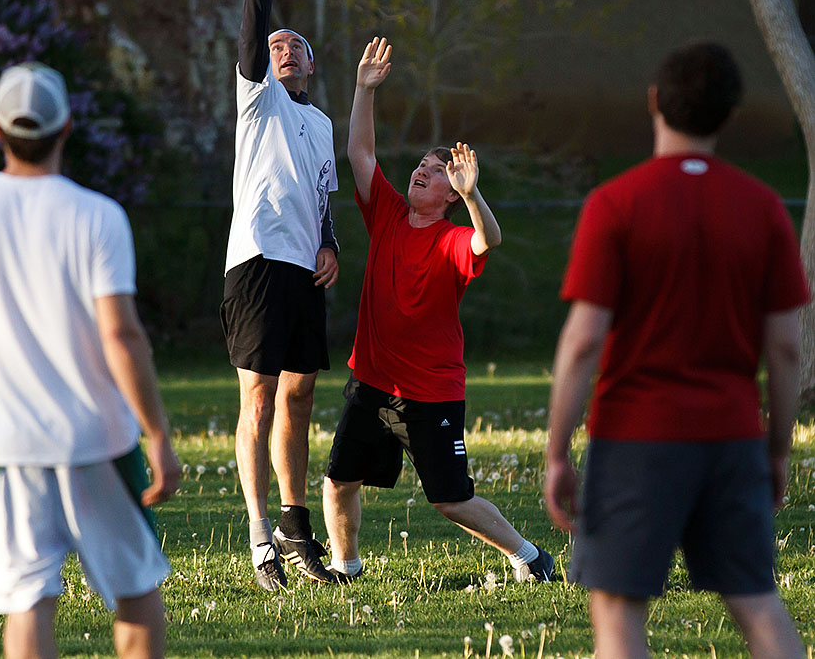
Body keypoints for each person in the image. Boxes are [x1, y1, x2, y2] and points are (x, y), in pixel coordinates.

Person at [544, 42, 809, 659]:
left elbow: (583, 342)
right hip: (732, 437)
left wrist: (558, 451)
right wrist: (775, 450)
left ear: (655, 103)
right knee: (755, 599)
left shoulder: (616, 204)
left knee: (616, 605)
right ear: (729, 116)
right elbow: (788, 349)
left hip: (637, 439)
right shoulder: (765, 208)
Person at [0, 61, 180, 659]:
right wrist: (158, 434)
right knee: (135, 590)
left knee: (29, 599)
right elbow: (121, 335)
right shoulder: (98, 215)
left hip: (12, 447)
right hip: (101, 441)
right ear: (67, 129)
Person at [322, 36, 556, 584]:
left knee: (450, 500)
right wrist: (363, 89)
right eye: (420, 167)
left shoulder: (454, 236)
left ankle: (529, 557)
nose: (419, 173)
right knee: (339, 480)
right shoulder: (386, 213)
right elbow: (360, 154)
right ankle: (345, 565)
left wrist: (473, 196)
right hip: (374, 381)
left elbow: (487, 241)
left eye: (434, 172)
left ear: (450, 193)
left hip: (431, 392)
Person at [221, 0, 340, 590]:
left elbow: (324, 197)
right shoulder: (257, 99)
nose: (284, 49)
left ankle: (299, 534)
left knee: (297, 401)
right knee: (259, 400)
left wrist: (330, 242)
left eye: (296, 45)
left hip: (302, 268)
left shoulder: (320, 123)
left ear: (312, 64)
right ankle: (260, 540)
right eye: (276, 45)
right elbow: (250, 35)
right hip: (257, 263)